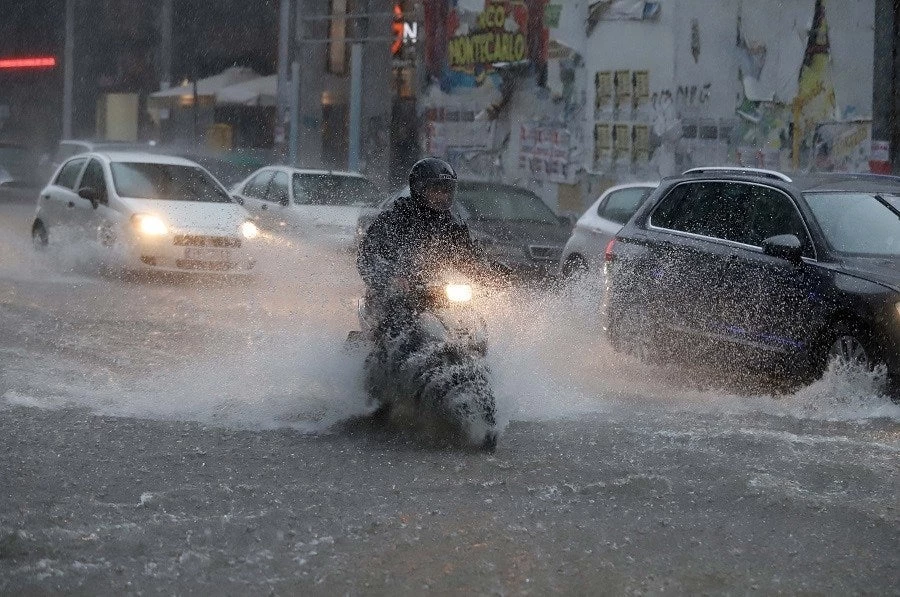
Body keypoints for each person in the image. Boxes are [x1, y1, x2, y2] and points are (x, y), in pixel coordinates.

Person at [357, 157, 499, 332]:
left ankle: (474, 356)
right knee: (397, 327)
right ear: (419, 188)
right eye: (436, 190)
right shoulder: (394, 220)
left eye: (446, 191)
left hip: (435, 292)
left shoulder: (451, 224)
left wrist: (495, 275)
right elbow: (367, 256)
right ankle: (388, 357)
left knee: (470, 322)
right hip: (393, 294)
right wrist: (391, 277)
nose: (442, 196)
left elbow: (468, 256)